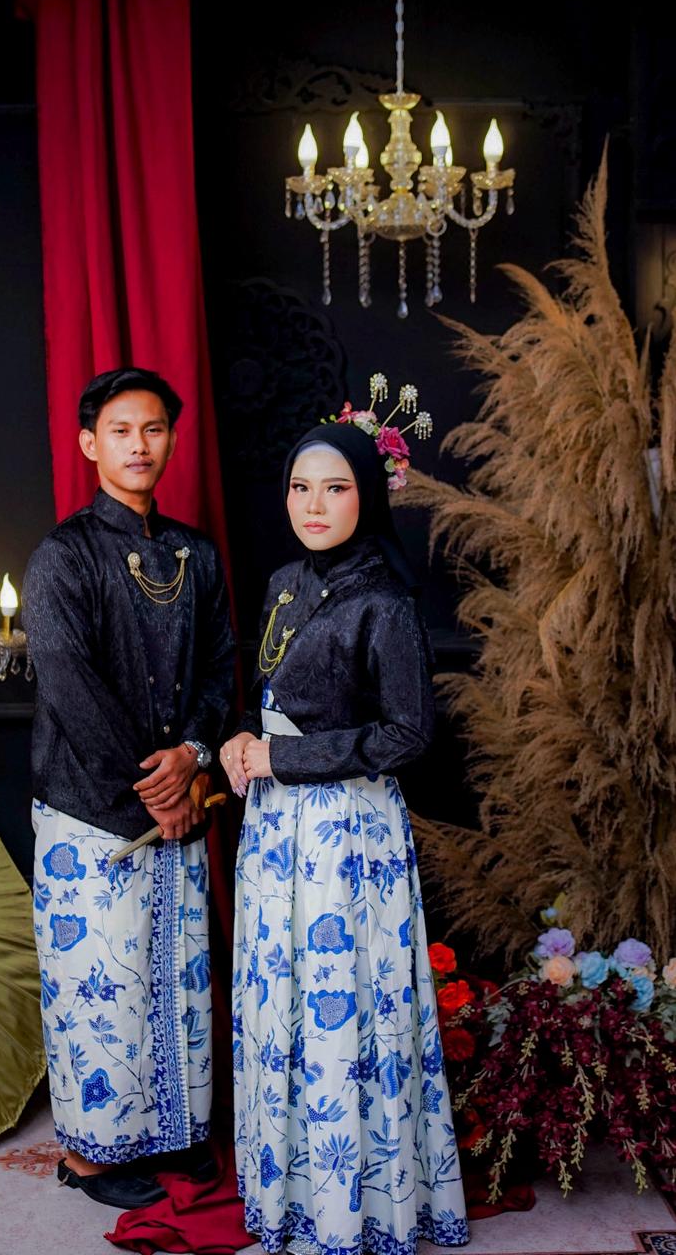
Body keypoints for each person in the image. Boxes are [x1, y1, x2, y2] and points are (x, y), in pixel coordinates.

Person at [221, 421, 469, 1255]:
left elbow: (408, 734)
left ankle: (352, 1207)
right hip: (275, 825)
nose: (314, 505)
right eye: (301, 488)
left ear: (366, 496)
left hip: (345, 833)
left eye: (335, 488)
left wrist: (282, 758)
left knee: (339, 1003)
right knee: (282, 997)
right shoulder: (285, 582)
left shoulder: (384, 601)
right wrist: (240, 738)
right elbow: (266, 695)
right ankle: (291, 1192)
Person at [23, 367, 235, 1209]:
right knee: (100, 993)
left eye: (153, 429)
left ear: (171, 440)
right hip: (90, 809)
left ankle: (171, 1136)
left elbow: (220, 669)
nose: (139, 445)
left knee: (173, 981)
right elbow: (69, 685)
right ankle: (88, 1157)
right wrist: (157, 787)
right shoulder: (62, 556)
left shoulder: (197, 554)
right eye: (120, 430)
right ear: (90, 444)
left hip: (179, 799)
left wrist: (193, 753)